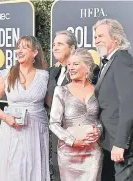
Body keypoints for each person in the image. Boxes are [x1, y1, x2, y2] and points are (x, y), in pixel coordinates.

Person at [0, 35, 50, 181]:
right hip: (11, 129)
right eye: (18, 47)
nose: (19, 51)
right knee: (13, 168)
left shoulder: (44, 76)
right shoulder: (8, 74)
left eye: (25, 47)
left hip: (37, 129)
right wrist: (5, 117)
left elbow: (51, 103)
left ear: (34, 53)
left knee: (35, 167)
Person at [94, 19, 133, 181]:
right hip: (112, 139)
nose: (96, 40)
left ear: (115, 39)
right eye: (95, 37)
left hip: (126, 145)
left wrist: (120, 143)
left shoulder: (122, 61)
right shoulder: (110, 61)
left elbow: (128, 106)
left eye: (101, 36)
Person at [49, 48, 103, 181]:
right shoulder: (61, 91)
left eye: (75, 64)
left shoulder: (98, 90)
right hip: (69, 153)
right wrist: (72, 141)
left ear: (87, 67)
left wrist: (99, 131)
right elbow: (53, 123)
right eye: (69, 65)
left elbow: (101, 120)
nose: (71, 68)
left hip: (93, 151)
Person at [46, 30, 77, 181]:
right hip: (55, 137)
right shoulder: (53, 72)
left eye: (60, 44)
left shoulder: (87, 70)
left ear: (72, 48)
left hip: (75, 137)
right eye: (54, 44)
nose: (55, 48)